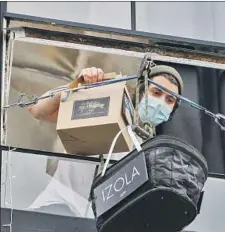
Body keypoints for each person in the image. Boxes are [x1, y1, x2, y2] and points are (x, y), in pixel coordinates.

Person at [27, 65, 184, 218]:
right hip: (54, 209)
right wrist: (77, 86)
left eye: (170, 100)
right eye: (156, 92)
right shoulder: (107, 106)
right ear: (142, 92)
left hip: (95, 227)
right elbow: (37, 109)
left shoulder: (153, 154)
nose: (161, 102)